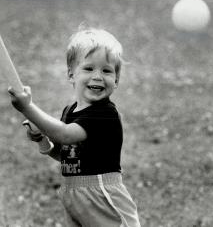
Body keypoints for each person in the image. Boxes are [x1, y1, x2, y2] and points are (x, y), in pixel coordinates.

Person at [8, 27, 141, 227]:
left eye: (106, 70)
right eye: (89, 68)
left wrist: (28, 107)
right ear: (71, 75)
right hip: (74, 196)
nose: (98, 76)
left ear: (116, 80)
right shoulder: (69, 112)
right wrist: (41, 139)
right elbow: (67, 156)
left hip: (102, 196)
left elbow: (65, 135)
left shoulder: (104, 114)